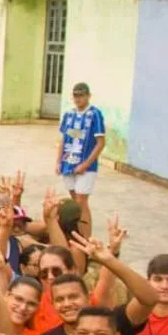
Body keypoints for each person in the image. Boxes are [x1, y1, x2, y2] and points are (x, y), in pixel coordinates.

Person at [56, 81, 106, 236]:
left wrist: (86, 164)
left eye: (81, 95)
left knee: (81, 202)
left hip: (86, 167)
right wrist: (58, 161)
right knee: (75, 203)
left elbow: (100, 143)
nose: (78, 99)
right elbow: (63, 139)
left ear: (88, 96)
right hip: (68, 163)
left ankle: (85, 238)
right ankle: (76, 233)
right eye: (75, 96)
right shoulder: (69, 115)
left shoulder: (94, 114)